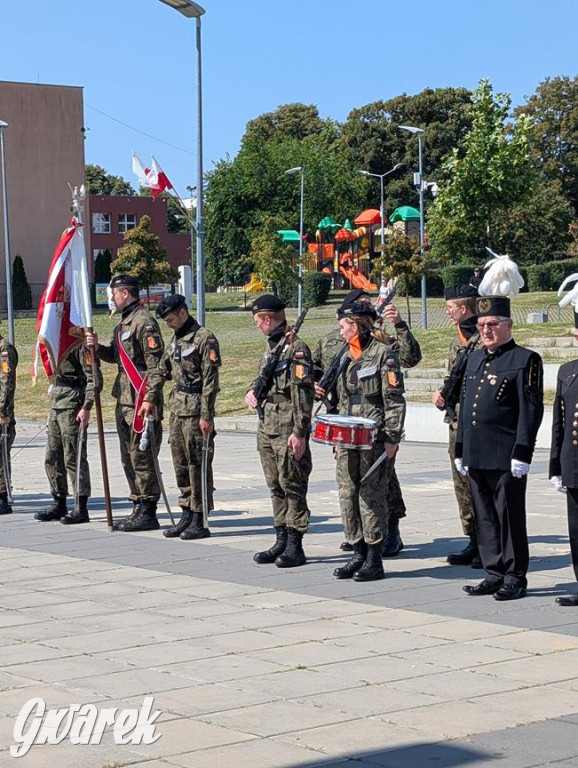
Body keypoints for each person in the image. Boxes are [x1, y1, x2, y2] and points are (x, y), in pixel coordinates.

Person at [313, 288, 420, 557]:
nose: (372, 310)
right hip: (345, 428)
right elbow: (319, 374)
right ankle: (358, 542)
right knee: (349, 489)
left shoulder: (382, 346)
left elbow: (410, 359)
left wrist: (399, 324)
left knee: (380, 486)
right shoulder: (332, 343)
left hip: (376, 429)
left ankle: (385, 535)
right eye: (363, 306)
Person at [455, 296, 544, 601]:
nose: (487, 330)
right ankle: (493, 572)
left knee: (509, 517)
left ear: (508, 324)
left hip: (506, 454)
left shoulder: (525, 359)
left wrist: (523, 451)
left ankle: (515, 576)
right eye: (481, 325)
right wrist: (460, 447)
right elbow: (466, 405)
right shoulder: (475, 358)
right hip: (477, 453)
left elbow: (531, 411)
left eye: (493, 324)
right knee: (484, 517)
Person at [332, 299, 406, 582]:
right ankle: (357, 553)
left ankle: (374, 558)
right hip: (348, 437)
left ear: (356, 326)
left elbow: (394, 400)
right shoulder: (345, 355)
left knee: (370, 496)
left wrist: (391, 437)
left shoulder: (382, 354)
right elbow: (340, 398)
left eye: (343, 327)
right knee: (347, 494)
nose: (340, 333)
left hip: (373, 437)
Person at [86, 275, 165, 532]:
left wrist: (151, 399)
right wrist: (96, 347)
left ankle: (148, 508)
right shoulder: (122, 324)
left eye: (114, 294)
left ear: (125, 293)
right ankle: (137, 503)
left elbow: (156, 366)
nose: (112, 298)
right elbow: (115, 356)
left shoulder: (144, 322)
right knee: (128, 456)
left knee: (142, 456)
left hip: (142, 400)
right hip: (124, 399)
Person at [144, 294, 221, 540]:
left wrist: (206, 415)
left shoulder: (204, 339)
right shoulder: (176, 340)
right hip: (177, 410)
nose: (168, 324)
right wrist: (149, 396)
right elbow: (161, 370)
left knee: (197, 464)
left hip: (196, 410)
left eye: (170, 319)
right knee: (180, 463)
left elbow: (210, 382)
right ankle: (186, 513)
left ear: (183, 313)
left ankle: (199, 517)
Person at [245, 295, 314, 568]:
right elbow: (262, 376)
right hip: (267, 424)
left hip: (287, 425)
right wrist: (251, 391)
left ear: (266, 319)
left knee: (292, 485)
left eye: (257, 322)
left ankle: (295, 545)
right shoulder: (271, 346)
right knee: (275, 485)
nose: (257, 327)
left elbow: (303, 394)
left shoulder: (296, 349)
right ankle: (281, 538)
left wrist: (300, 432)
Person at [432, 285, 484, 567]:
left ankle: (487, 543)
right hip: (456, 424)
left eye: (450, 308)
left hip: (474, 425)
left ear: (464, 309)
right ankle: (473, 539)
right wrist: (441, 393)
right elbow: (453, 378)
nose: (448, 312)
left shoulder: (480, 339)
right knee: (461, 485)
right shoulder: (460, 342)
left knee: (476, 483)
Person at [35, 345, 97, 524]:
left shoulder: (78, 343)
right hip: (57, 401)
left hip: (73, 403)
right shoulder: (56, 337)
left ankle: (81, 506)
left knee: (74, 457)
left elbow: (94, 378)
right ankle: (58, 501)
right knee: (52, 456)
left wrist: (86, 407)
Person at [549, 299, 578, 606]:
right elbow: (559, 421)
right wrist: (555, 465)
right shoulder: (567, 371)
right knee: (576, 529)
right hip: (574, 463)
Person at [0, 330, 17, 515]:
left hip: (1, 411)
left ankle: (3, 498)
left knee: (1, 453)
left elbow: (7, 381)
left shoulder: (4, 349)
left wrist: (3, 410)